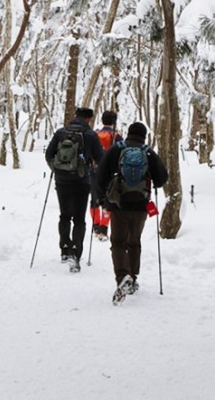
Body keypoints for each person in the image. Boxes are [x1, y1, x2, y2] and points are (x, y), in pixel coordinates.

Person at [95, 120, 168, 303]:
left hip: (119, 205)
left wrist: (103, 200)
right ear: (144, 136)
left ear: (128, 133)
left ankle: (122, 277)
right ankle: (133, 277)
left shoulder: (116, 149)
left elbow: (100, 175)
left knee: (118, 242)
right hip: (141, 205)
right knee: (134, 241)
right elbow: (161, 179)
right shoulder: (148, 152)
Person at [44, 106, 104, 271]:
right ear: (89, 119)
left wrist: (56, 169)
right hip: (81, 181)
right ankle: (75, 253)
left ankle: (64, 249)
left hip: (61, 181)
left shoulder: (60, 132)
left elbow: (48, 155)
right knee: (79, 218)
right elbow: (101, 158)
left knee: (64, 215)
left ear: (75, 115)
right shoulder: (90, 135)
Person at [90, 109, 122, 240]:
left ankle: (95, 225)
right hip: (109, 172)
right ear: (114, 122)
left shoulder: (95, 134)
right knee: (107, 199)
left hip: (93, 170)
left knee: (94, 198)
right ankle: (103, 228)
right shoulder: (117, 136)